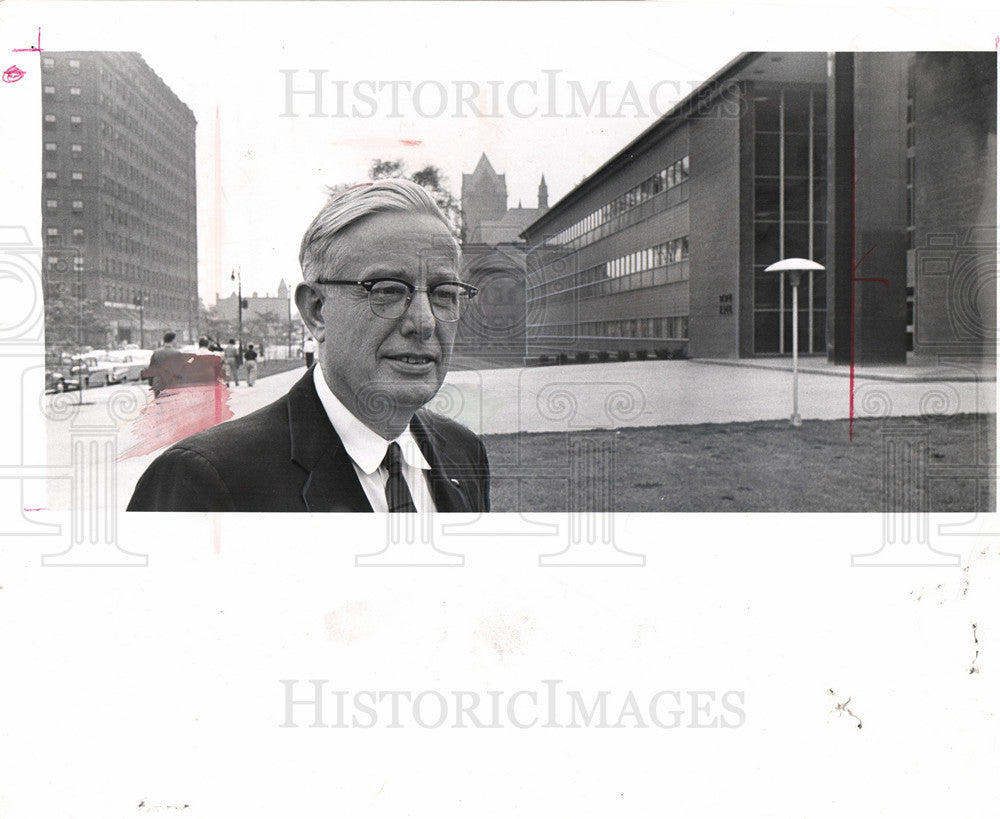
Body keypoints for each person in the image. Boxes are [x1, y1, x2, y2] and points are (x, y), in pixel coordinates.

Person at [127, 178, 489, 512]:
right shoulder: (205, 481)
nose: (425, 322)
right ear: (316, 310)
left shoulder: (464, 452)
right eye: (388, 290)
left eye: (444, 293)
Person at [142, 331, 181, 397]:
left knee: (159, 405)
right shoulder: (177, 353)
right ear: (173, 340)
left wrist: (151, 383)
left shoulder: (156, 353)